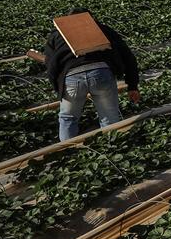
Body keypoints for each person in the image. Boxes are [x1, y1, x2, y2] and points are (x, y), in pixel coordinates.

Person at [43, 9, 140, 141]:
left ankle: (68, 153)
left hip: (71, 76)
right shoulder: (102, 29)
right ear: (90, 19)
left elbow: (51, 64)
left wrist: (59, 89)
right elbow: (128, 57)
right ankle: (112, 147)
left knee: (68, 118)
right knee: (109, 116)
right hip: (102, 72)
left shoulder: (57, 34)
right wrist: (132, 85)